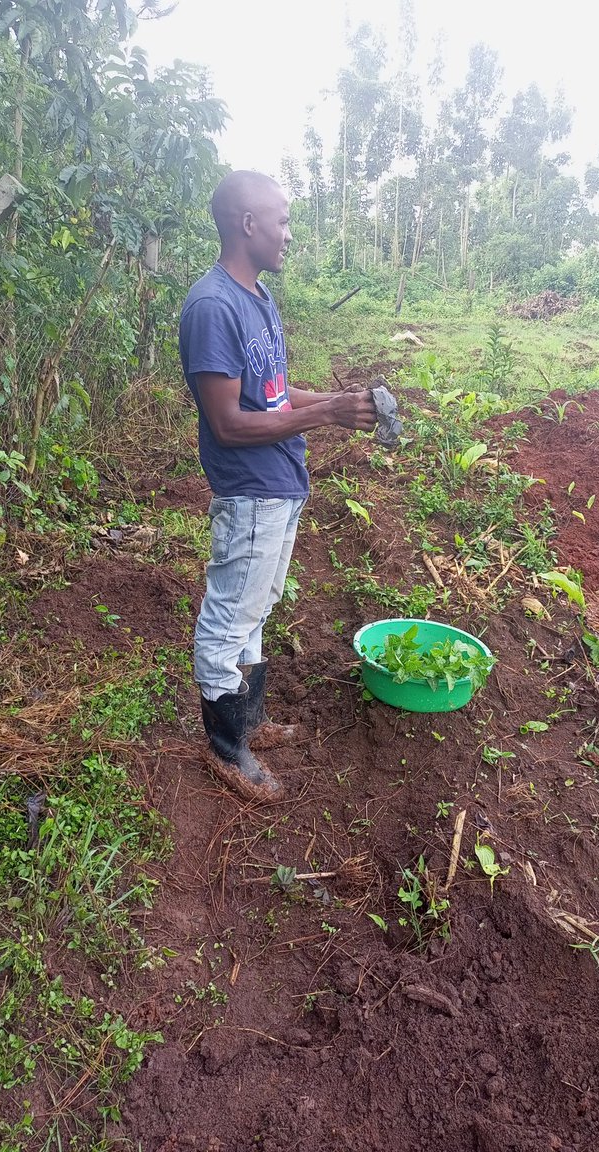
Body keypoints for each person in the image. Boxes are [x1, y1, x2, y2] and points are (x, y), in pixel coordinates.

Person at [179, 170, 378, 802]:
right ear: (248, 224)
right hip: (250, 487)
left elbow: (270, 393)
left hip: (281, 482)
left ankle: (252, 721)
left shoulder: (258, 298)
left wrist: (339, 403)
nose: (290, 235)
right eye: (283, 221)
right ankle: (225, 746)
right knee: (228, 614)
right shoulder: (213, 307)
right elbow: (229, 422)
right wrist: (324, 416)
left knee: (256, 606)